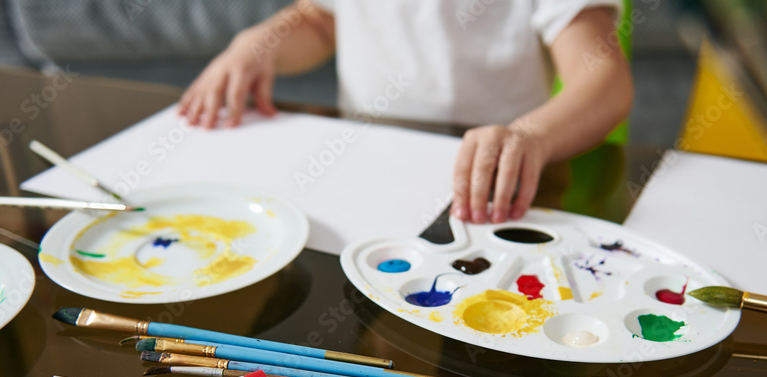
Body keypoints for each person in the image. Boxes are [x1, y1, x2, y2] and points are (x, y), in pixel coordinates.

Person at [179, 0, 633, 224]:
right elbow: (320, 17)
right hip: (362, 174)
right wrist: (261, 43)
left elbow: (603, 81)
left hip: (494, 186)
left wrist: (533, 134)